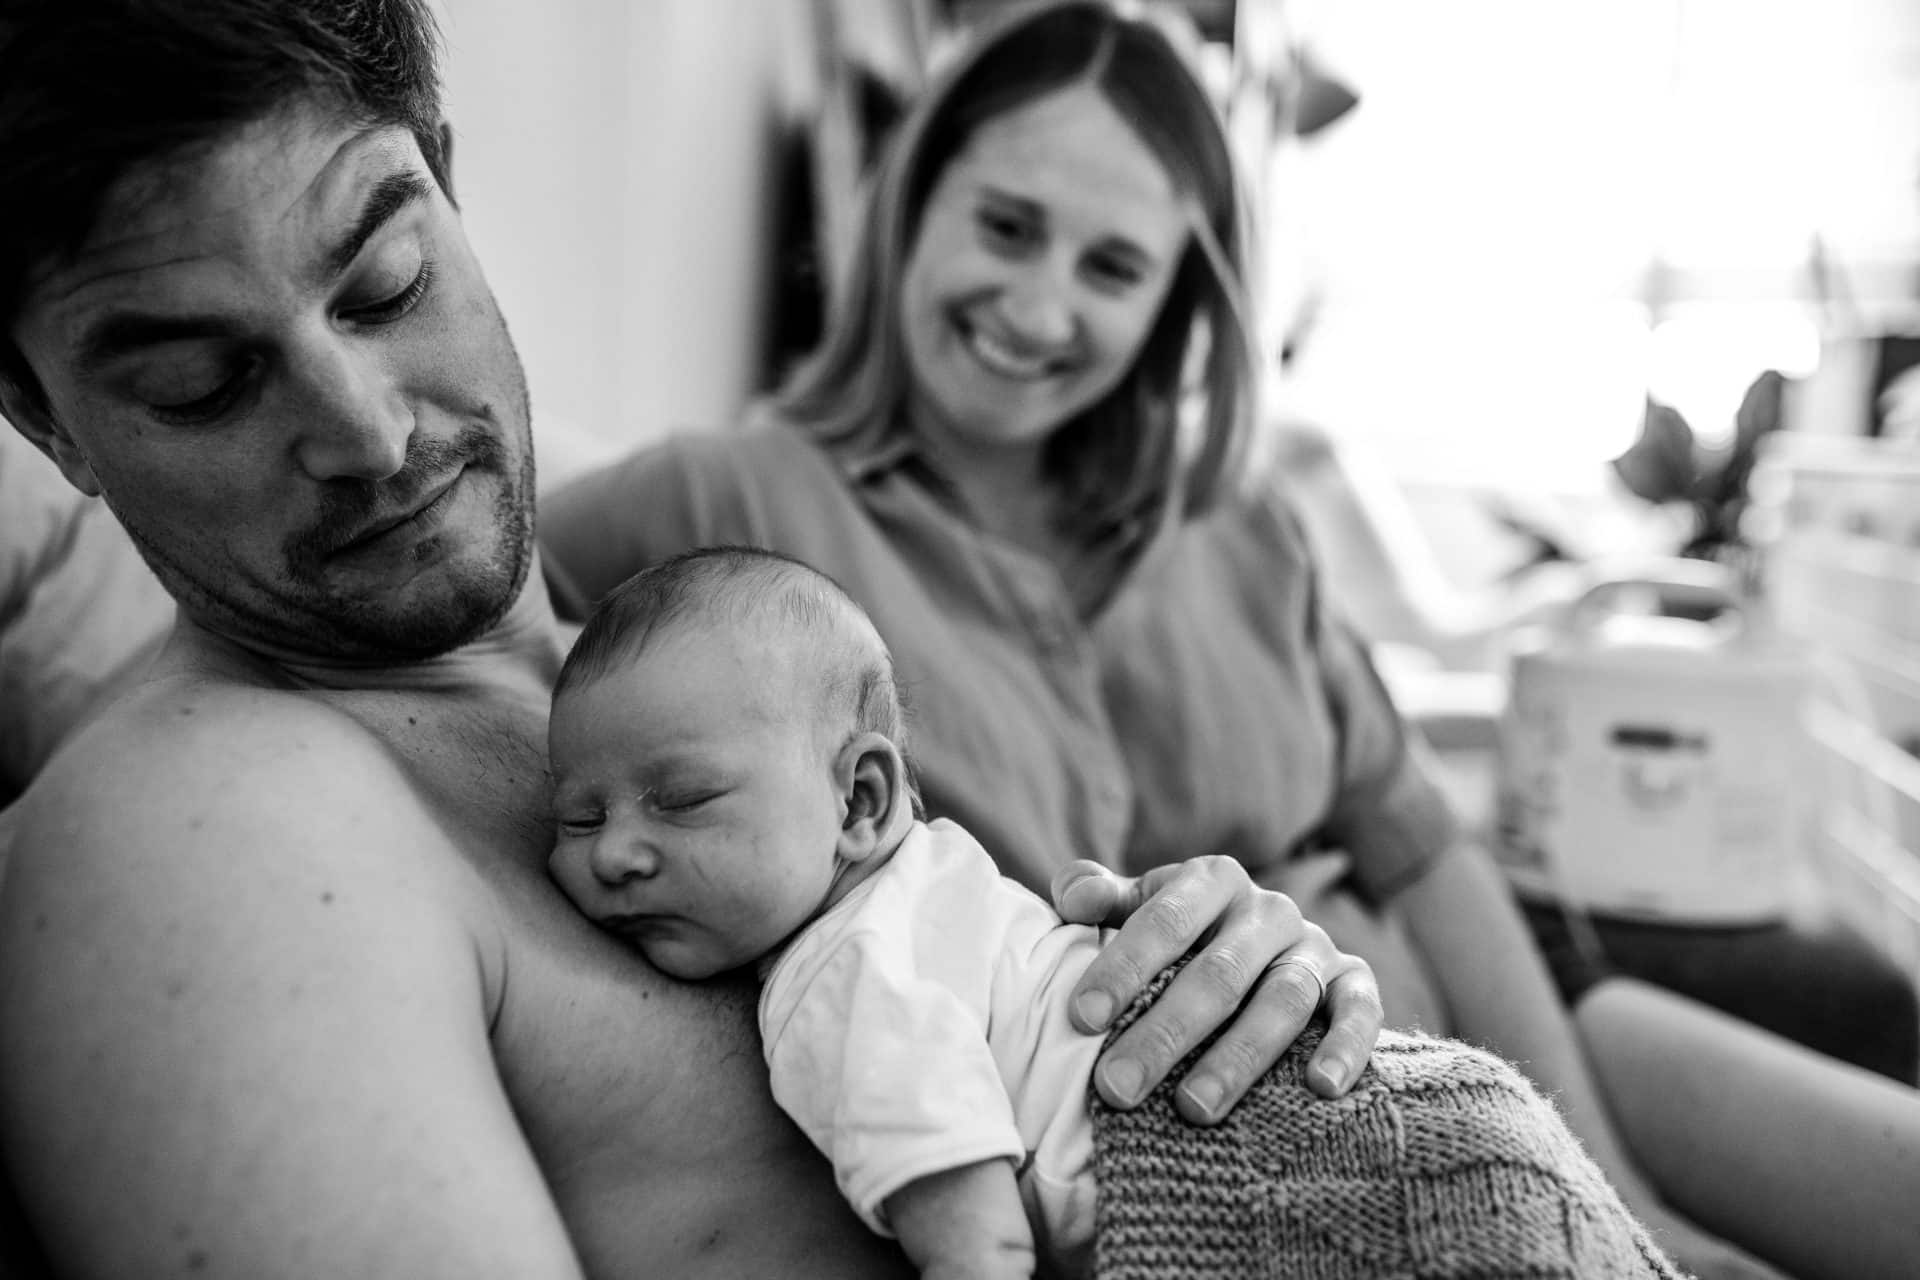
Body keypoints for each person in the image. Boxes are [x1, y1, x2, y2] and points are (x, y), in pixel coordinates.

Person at [0, 2, 1403, 1276]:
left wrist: (1208, 993)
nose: (368, 434)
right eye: (204, 383)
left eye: (386, 284)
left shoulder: (672, 667)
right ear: (45, 419)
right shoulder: (211, 841)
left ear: (450, 186)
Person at [537, 4, 1920, 1278]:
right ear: (911, 205)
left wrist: (1607, 1169)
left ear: (1170, 306)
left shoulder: (1245, 526)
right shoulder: (727, 504)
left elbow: (1419, 845)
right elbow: (485, 549)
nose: (1040, 307)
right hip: (1254, 1141)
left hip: (1510, 1026)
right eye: (1006, 226)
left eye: (1112, 266)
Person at [545, 544, 1681, 1280]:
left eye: (681, 800)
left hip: (1245, 1148)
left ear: (861, 796)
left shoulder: (834, 982)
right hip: (1403, 1106)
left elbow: (980, 1243)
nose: (619, 854)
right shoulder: (937, 871)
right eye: (576, 817)